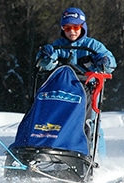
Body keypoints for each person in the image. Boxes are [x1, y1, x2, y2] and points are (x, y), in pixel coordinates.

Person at [36, 7, 117, 158]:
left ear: (83, 27)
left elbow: (110, 63)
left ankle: (96, 159)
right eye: (67, 28)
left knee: (90, 124)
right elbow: (45, 65)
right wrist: (47, 57)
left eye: (75, 27)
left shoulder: (93, 46)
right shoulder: (59, 46)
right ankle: (54, 153)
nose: (71, 31)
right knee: (57, 121)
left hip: (88, 91)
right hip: (64, 92)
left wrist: (104, 61)